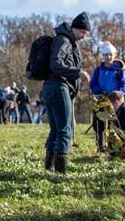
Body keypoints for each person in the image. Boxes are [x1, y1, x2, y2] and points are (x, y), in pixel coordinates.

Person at [43, 12, 91, 174]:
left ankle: (49, 167)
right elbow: (56, 65)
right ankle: (61, 171)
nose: (84, 36)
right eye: (82, 32)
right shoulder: (63, 40)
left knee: (56, 129)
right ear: (75, 28)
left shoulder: (66, 40)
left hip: (52, 87)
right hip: (58, 87)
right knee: (65, 129)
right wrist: (77, 72)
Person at [90, 41, 125, 152]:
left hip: (115, 101)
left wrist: (118, 94)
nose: (108, 57)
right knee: (98, 123)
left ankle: (116, 147)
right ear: (103, 56)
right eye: (106, 54)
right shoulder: (98, 69)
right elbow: (93, 84)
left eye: (110, 54)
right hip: (101, 99)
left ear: (114, 55)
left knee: (115, 123)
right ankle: (100, 146)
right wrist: (99, 91)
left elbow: (123, 84)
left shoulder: (119, 69)